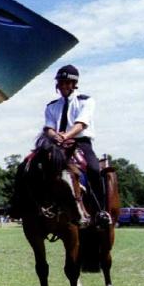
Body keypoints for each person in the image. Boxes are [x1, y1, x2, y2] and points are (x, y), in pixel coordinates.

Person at [42, 64, 110, 227]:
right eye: (61, 82)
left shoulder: (86, 101)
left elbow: (81, 124)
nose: (64, 85)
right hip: (57, 144)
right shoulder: (51, 105)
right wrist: (55, 136)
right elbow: (48, 127)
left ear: (74, 84)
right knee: (36, 166)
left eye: (67, 82)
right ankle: (43, 206)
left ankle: (101, 210)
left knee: (93, 168)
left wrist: (65, 135)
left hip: (80, 142)